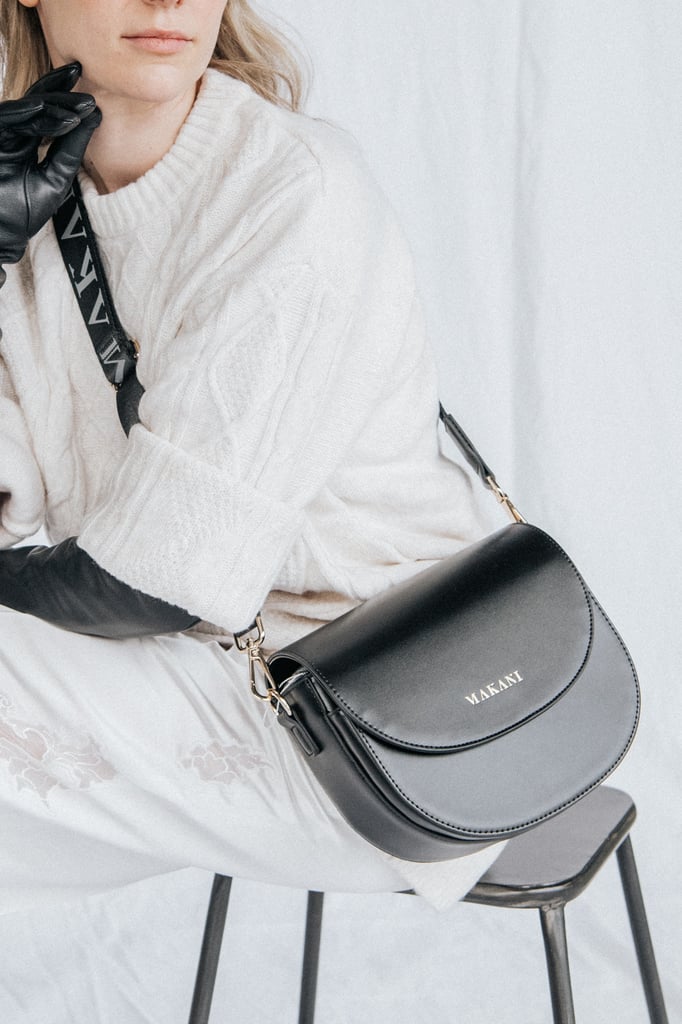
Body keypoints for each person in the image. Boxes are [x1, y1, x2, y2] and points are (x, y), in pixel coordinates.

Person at [0, 0, 502, 915]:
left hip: (383, 726)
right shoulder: (32, 199)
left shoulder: (293, 188)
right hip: (186, 671)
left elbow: (157, 584)